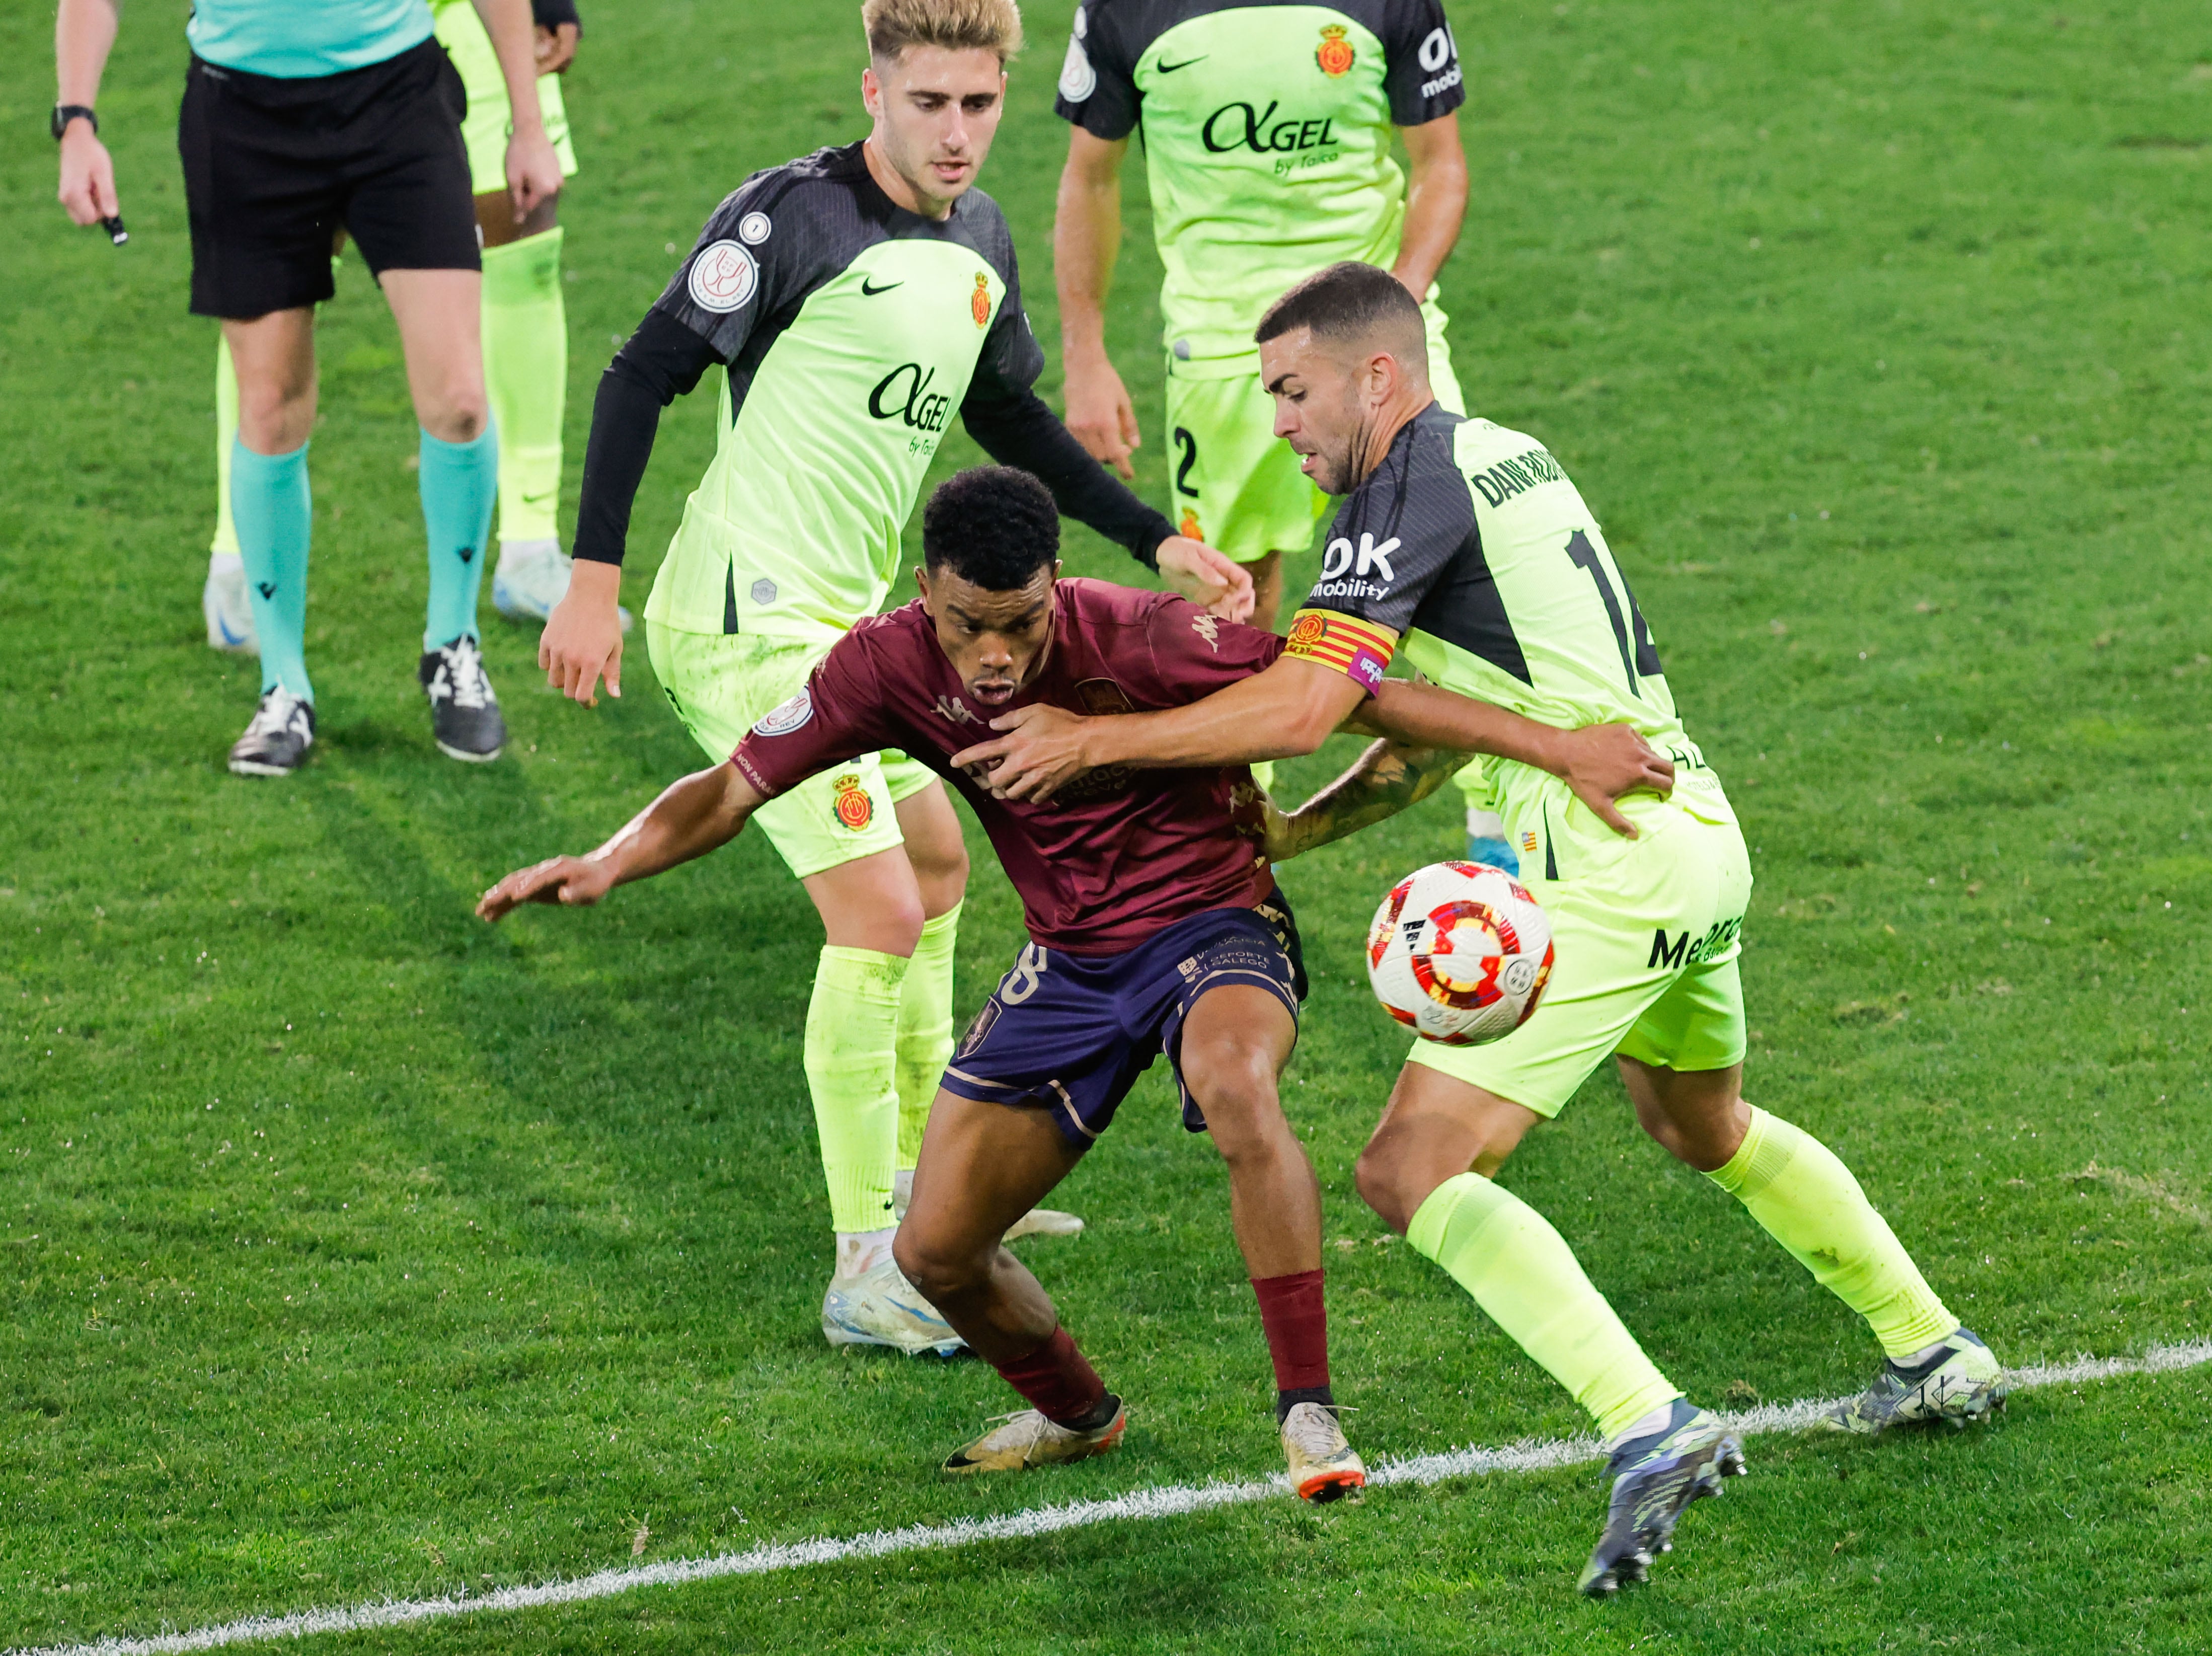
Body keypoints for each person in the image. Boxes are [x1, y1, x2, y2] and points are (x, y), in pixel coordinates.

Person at [951, 263, 2008, 1595]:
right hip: (1692, 836)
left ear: (1376, 375)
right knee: (1699, 1124)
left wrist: (1096, 741)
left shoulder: (1398, 493)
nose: (1278, 422)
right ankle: (1933, 1348)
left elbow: (1298, 710)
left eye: (1292, 390)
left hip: (1600, 864)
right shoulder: (1508, 454)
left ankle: (1649, 1424)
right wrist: (1288, 838)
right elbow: (1421, 731)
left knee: (1407, 1171)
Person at [476, 465, 1669, 1497]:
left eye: (1022, 623)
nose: (994, 655)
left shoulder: (1147, 634)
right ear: (924, 590)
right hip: (1071, 964)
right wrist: (608, 859)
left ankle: (1307, 1407)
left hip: (1216, 922)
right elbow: (734, 785)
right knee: (934, 1253)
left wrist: (1561, 748)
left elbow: (1355, 694)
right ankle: (1079, 1414)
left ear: (1055, 586)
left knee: (1239, 1087)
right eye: (965, 626)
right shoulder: (882, 667)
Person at [541, 0, 1259, 1357]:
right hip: (741, 614)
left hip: (846, 624)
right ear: (873, 88)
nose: (955, 134)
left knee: (937, 869)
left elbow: (1011, 420)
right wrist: (593, 579)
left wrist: (1153, 537)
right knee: (876, 910)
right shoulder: (788, 222)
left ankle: (950, 1193)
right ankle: (870, 1262)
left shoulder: (980, 241)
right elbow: (643, 376)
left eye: (979, 108)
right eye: (927, 104)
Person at [1050, 0, 1518, 873]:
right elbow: (1092, 178)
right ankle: (1227, 843)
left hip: (1385, 355)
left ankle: (1503, 852)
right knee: (1228, 600)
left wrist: (1398, 301)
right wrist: (1084, 354)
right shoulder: (1124, 11)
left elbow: (1440, 163)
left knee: (1461, 597)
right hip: (1225, 357)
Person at [55, 0, 563, 775]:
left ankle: (452, 647)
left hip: (398, 100)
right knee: (269, 406)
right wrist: (78, 123)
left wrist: (527, 122)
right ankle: (283, 686)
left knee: (460, 399)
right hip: (243, 117)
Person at [203, 0, 600, 657]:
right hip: (306, 39)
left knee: (524, 239)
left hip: (468, 20)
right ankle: (238, 556)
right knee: (273, 295)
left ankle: (531, 542)